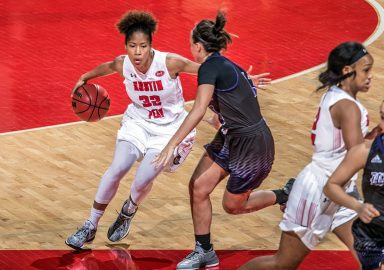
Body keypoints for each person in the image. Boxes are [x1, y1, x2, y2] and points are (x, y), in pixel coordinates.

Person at [65, 10, 272, 250]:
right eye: (132, 46)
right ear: (126, 46)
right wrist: (84, 78)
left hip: (169, 130)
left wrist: (244, 79)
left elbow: (212, 69)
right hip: (138, 123)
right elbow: (108, 67)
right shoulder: (123, 64)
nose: (138, 52)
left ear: (151, 45)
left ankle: (129, 210)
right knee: (117, 168)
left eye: (143, 46)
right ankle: (90, 225)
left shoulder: (170, 62)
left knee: (144, 177)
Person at [153, 11, 294, 269]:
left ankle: (285, 194)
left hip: (252, 145)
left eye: (190, 44)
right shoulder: (226, 65)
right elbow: (236, 96)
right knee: (198, 187)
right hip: (232, 136)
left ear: (197, 46)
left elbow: (198, 109)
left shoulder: (210, 67)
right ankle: (204, 250)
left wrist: (172, 143)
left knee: (233, 206)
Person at [239, 41, 375, 270]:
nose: (370, 75)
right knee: (282, 264)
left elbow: (357, 146)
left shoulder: (339, 96)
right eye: (365, 70)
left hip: (341, 189)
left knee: (373, 259)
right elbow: (358, 153)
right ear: (347, 71)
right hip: (318, 191)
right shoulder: (346, 106)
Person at [324, 103, 384, 270]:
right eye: (382, 117)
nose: (381, 125)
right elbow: (332, 186)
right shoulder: (366, 151)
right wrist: (358, 206)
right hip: (372, 234)